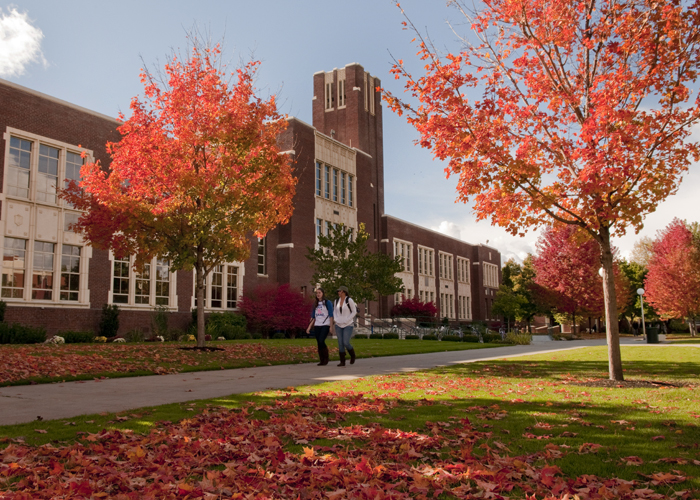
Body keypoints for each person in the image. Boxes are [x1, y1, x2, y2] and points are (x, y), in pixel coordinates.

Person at [306, 288, 334, 366]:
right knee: (319, 342)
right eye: (317, 293)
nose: (318, 294)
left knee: (321, 340)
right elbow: (313, 317)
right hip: (317, 325)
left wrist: (331, 327)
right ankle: (322, 360)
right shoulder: (315, 304)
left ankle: (326, 358)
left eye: (319, 292)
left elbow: (331, 315)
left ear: (323, 293)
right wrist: (309, 327)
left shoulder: (327, 303)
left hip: (325, 324)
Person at [334, 285, 357, 366]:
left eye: (339, 291)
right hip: (338, 324)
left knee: (346, 342)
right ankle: (342, 361)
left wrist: (347, 320)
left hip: (348, 324)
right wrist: (336, 319)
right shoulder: (336, 301)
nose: (338, 293)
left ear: (344, 292)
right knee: (340, 343)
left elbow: (354, 312)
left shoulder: (349, 300)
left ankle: (352, 355)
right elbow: (335, 312)